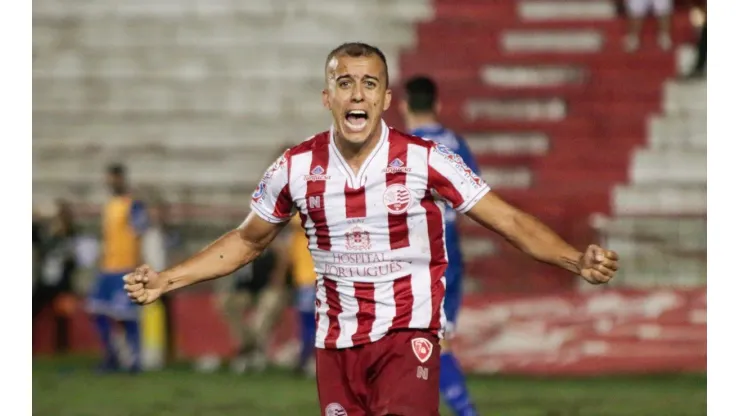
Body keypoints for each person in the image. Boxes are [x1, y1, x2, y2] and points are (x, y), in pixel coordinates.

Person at [123, 42, 620, 415]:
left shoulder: (426, 161)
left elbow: (508, 220)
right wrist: (167, 279)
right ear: (327, 97)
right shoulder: (295, 167)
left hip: (407, 335)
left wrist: (574, 259)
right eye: (345, 83)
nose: (356, 93)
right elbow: (247, 241)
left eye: (368, 83)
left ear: (385, 98)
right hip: (335, 345)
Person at [400, 75, 479, 416]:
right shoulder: (456, 144)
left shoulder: (399, 146)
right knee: (429, 339)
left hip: (412, 251)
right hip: (450, 248)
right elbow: (475, 197)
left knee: (415, 340)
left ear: (404, 106)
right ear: (438, 105)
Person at [87, 163, 149, 373]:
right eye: (108, 178)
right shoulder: (110, 205)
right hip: (107, 268)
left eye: (113, 178)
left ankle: (134, 361)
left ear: (122, 178)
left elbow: (140, 234)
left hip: (126, 267)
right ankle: (111, 356)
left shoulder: (133, 204)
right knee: (97, 312)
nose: (110, 182)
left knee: (127, 316)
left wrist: (139, 268)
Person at [215, 215, 291, 372]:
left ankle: (253, 350)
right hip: (247, 290)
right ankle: (246, 344)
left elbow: (283, 258)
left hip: (268, 289)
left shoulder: (273, 240)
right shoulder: (241, 241)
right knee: (225, 302)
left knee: (266, 308)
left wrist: (278, 279)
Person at [32, 199, 79, 353]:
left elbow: (73, 262)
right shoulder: (47, 237)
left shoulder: (70, 238)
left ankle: (62, 348)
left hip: (62, 284)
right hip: (45, 281)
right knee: (33, 311)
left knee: (62, 318)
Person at [287, 213, 318, 376]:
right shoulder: (297, 237)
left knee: (310, 322)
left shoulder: (305, 217)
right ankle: (307, 359)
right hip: (304, 279)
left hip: (311, 279)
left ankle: (308, 360)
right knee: (308, 322)